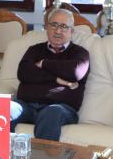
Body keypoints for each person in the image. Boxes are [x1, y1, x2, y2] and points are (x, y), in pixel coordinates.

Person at [10, 8, 90, 141]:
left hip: (60, 109)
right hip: (26, 106)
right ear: (46, 27)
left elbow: (74, 72)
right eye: (54, 25)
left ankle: (41, 155)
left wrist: (44, 64)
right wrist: (57, 79)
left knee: (51, 112)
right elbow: (23, 72)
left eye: (63, 26)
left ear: (71, 31)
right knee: (5, 107)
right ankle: (1, 154)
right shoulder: (34, 50)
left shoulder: (80, 53)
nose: (58, 31)